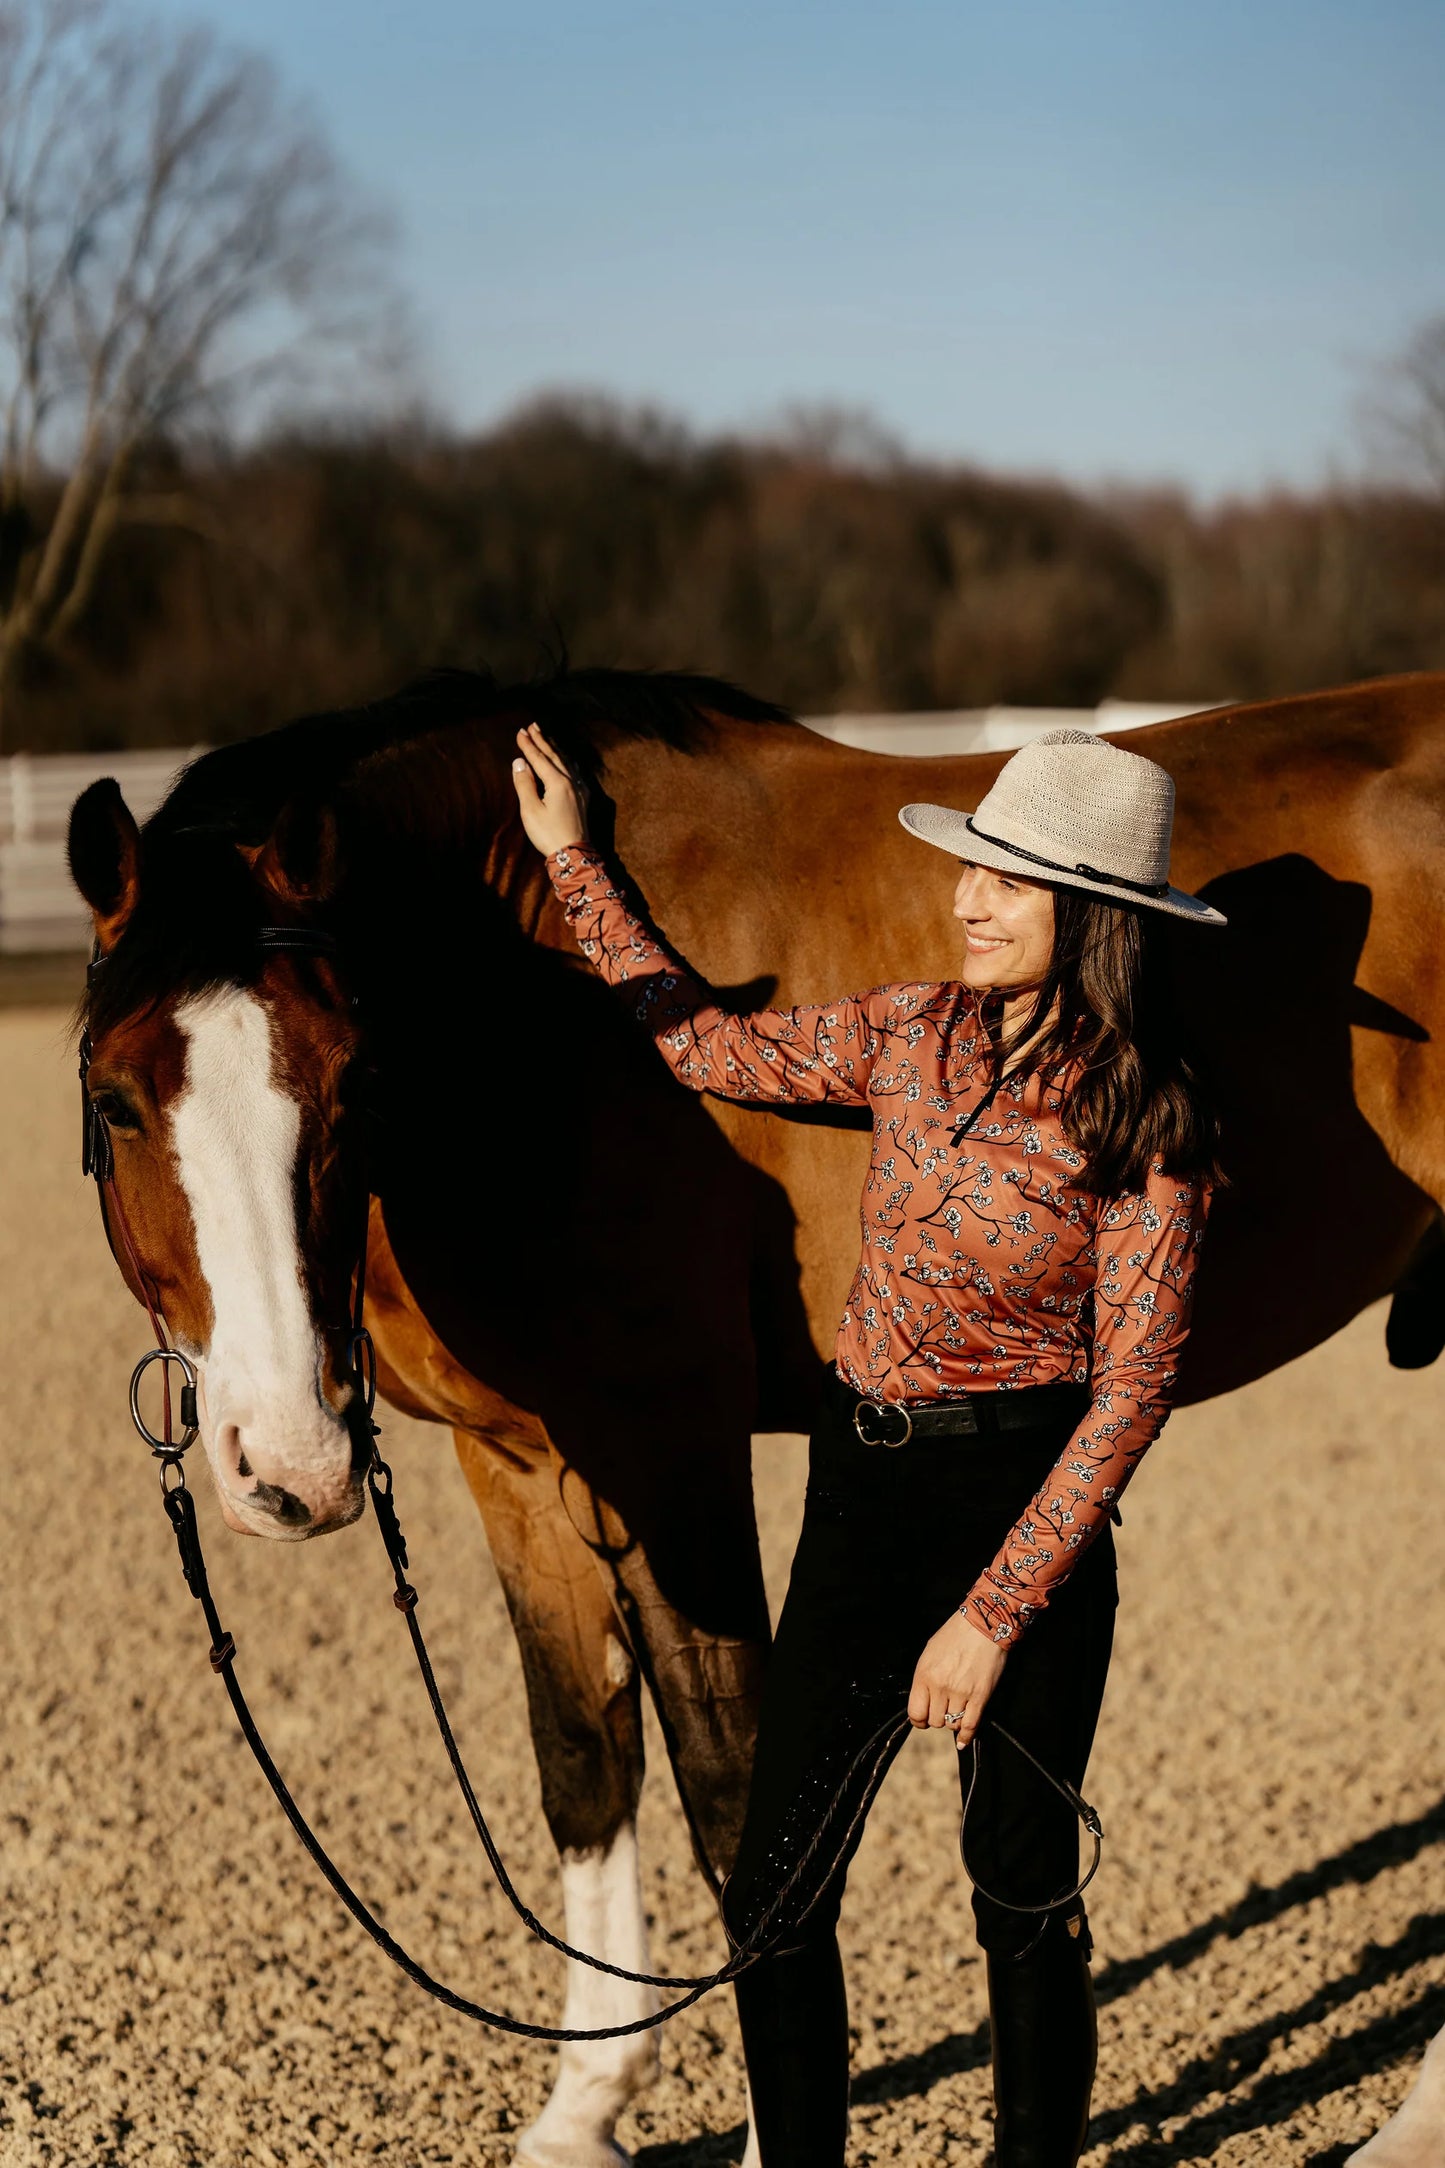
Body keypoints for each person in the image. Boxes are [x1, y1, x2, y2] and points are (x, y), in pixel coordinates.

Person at [511, 721, 1225, 2167]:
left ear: (1091, 918)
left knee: (1018, 1888)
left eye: (1008, 884)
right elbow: (703, 1044)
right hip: (861, 1490)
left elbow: (1131, 1391)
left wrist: (988, 1616)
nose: (966, 898)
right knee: (777, 1893)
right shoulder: (907, 1029)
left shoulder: (1152, 1120)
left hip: (1023, 1501)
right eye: (974, 872)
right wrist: (573, 865)